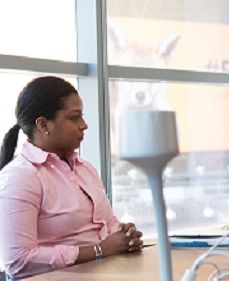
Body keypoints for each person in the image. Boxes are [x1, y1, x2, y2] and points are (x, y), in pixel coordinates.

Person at [0, 76, 143, 279]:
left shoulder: (85, 169)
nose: (84, 125)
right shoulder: (20, 177)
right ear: (42, 125)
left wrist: (124, 236)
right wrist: (99, 250)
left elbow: (108, 222)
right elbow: (18, 261)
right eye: (74, 117)